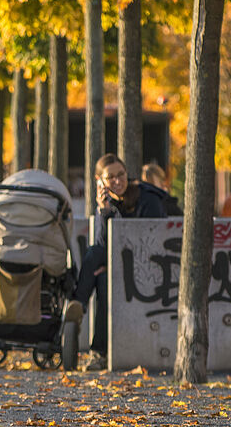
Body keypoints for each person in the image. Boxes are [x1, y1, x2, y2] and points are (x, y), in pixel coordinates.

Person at [67, 153, 167, 370]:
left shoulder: (148, 199)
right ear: (99, 181)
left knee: (96, 258)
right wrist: (104, 211)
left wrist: (114, 265)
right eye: (110, 177)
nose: (118, 181)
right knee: (100, 273)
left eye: (121, 174)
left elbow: (149, 244)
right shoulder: (108, 203)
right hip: (118, 268)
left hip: (147, 269)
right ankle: (98, 352)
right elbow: (104, 244)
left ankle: (79, 303)